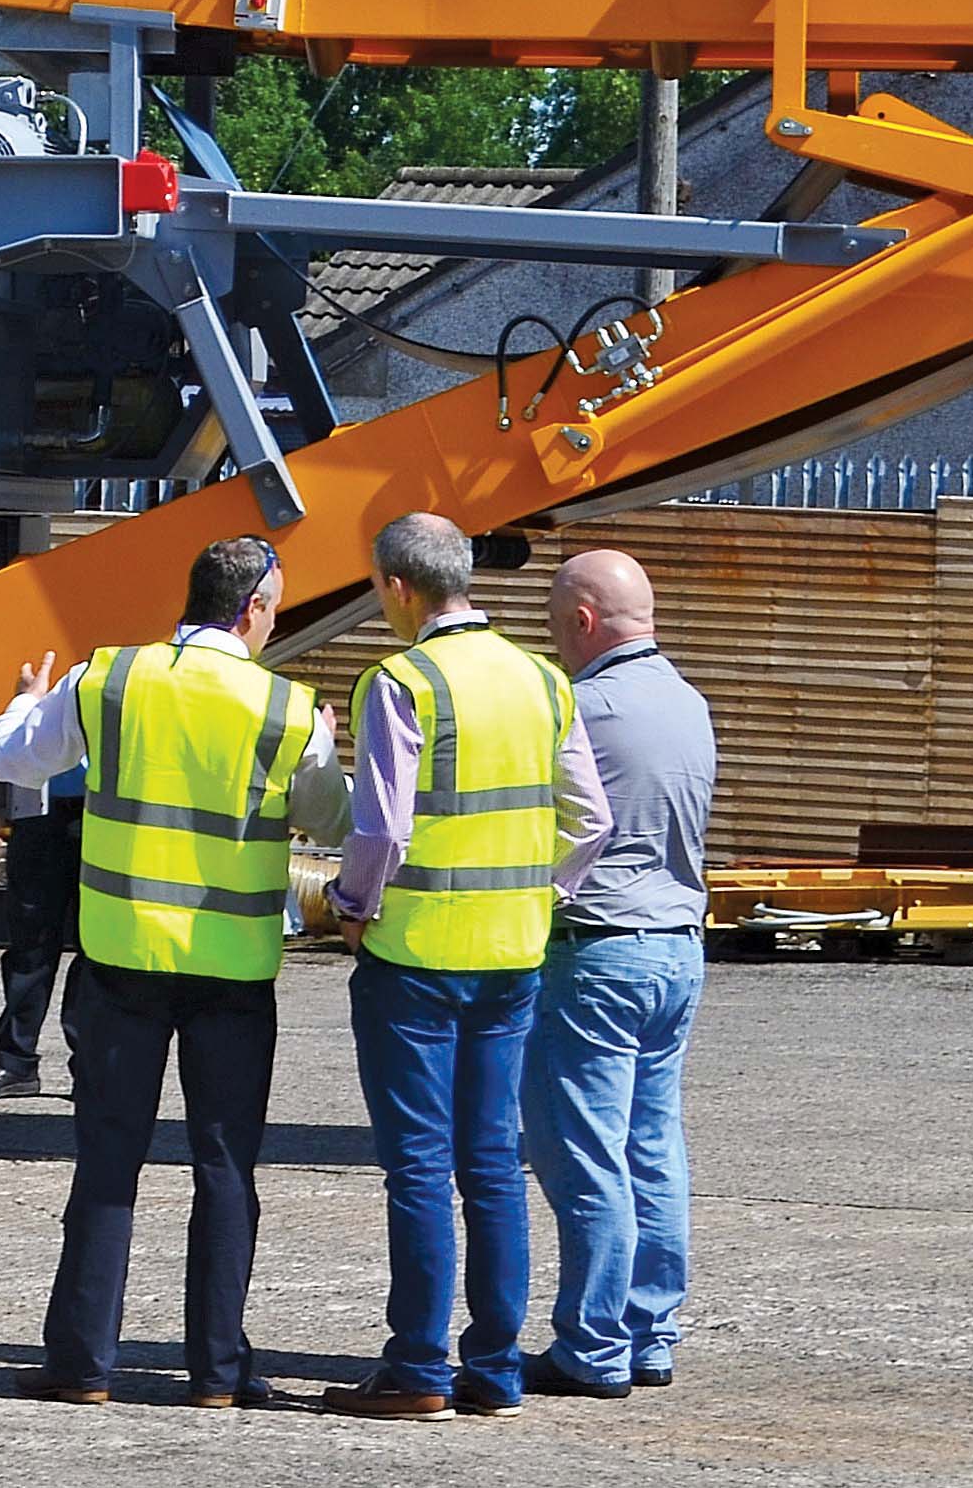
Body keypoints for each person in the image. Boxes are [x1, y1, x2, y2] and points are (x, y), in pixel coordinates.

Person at [0, 534, 324, 1411]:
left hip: (121, 959)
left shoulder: (109, 679)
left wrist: (18, 706)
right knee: (224, 1167)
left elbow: (11, 757)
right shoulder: (286, 709)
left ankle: (80, 1366)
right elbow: (333, 814)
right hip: (234, 974)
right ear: (252, 608)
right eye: (274, 605)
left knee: (106, 1161)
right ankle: (215, 1374)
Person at [324, 512, 612, 1422]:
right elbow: (592, 820)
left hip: (412, 957)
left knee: (416, 1169)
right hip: (511, 954)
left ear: (396, 588)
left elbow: (380, 827)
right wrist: (542, 892)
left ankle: (416, 1369)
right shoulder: (540, 679)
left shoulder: (400, 681)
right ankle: (491, 1371)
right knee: (491, 1164)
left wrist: (349, 909)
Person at [521, 546, 715, 1402]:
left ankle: (591, 1347)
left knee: (585, 1156)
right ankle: (649, 1333)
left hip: (597, 949)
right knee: (651, 1144)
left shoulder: (580, 706)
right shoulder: (687, 701)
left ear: (581, 622)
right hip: (676, 946)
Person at [0, 750, 83, 1102]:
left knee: (96, 950)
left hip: (105, 812)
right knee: (29, 946)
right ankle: (15, 1062)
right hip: (38, 807)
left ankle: (92, 1067)